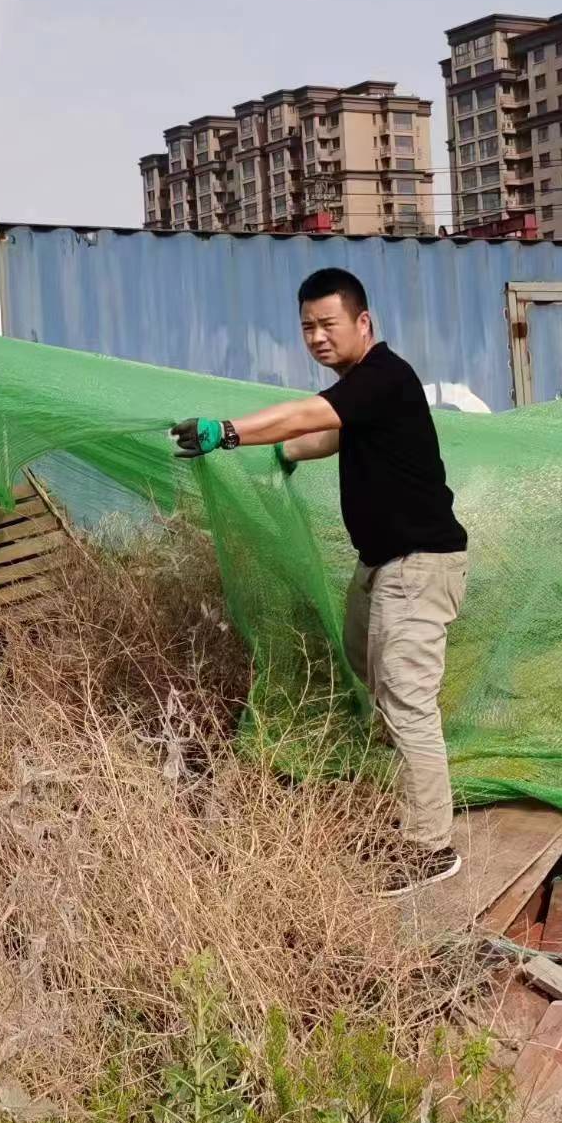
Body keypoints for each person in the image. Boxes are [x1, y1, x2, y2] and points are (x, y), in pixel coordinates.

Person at [169, 267, 472, 898]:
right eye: (307, 327)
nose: (316, 337)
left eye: (328, 324)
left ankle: (430, 847)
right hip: (381, 565)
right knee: (372, 672)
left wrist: (228, 432)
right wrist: (288, 453)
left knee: (406, 699)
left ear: (364, 322)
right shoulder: (362, 391)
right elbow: (332, 433)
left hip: (419, 565)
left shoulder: (384, 376)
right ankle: (413, 793)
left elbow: (311, 413)